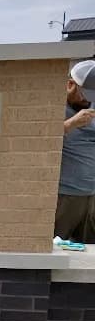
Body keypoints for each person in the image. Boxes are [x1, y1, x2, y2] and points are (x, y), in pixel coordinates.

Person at [55, 59, 95, 242]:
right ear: (70, 84)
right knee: (55, 245)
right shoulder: (54, 107)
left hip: (91, 194)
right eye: (84, 94)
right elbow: (40, 137)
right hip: (65, 195)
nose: (88, 100)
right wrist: (71, 124)